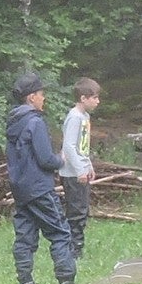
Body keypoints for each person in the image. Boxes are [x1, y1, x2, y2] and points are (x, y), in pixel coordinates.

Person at [5, 72, 78, 284]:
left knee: (25, 236)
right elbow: (45, 159)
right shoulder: (35, 122)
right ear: (31, 98)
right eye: (41, 94)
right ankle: (66, 283)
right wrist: (60, 160)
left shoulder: (13, 123)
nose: (43, 98)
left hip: (20, 188)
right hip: (39, 187)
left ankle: (25, 283)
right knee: (60, 232)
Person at [59, 78, 100, 259]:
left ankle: (77, 245)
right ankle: (72, 248)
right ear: (83, 98)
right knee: (76, 211)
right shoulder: (74, 117)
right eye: (95, 97)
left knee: (82, 209)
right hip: (72, 174)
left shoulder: (85, 117)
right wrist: (79, 170)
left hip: (81, 171)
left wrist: (88, 165)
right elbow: (68, 146)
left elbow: (82, 146)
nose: (97, 101)